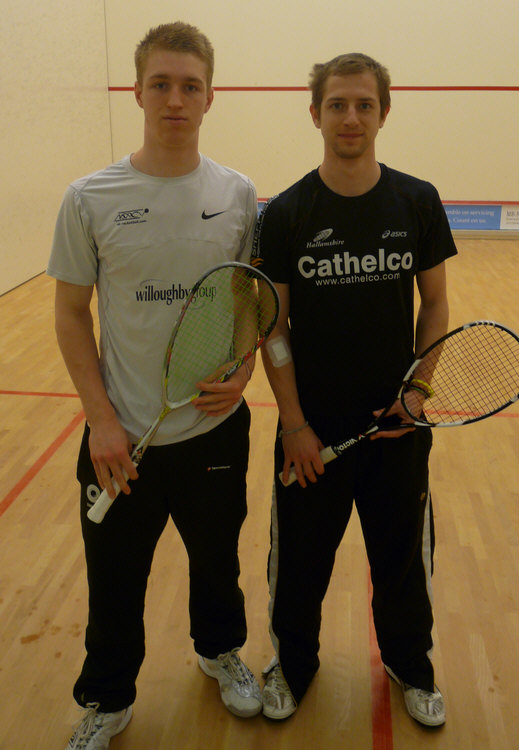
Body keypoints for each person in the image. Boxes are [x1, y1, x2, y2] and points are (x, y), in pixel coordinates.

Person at [48, 21, 262, 749]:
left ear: (210, 97)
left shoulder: (237, 193)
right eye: (161, 84)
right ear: (137, 92)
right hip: (122, 439)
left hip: (213, 431)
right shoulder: (90, 197)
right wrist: (100, 420)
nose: (175, 99)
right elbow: (70, 313)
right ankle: (107, 700)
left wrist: (244, 366)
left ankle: (220, 652)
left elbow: (247, 295)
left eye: (190, 86)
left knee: (217, 563)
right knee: (114, 581)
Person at [253, 53, 457, 727]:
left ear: (383, 113)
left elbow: (434, 304)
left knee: (402, 560)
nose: (350, 117)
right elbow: (274, 327)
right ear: (315, 114)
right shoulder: (286, 214)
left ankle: (411, 666)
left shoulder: (416, 200)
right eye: (337, 104)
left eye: (363, 104)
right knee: (300, 563)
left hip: (397, 425)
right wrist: (293, 423)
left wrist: (417, 391)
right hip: (310, 432)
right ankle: (291, 665)